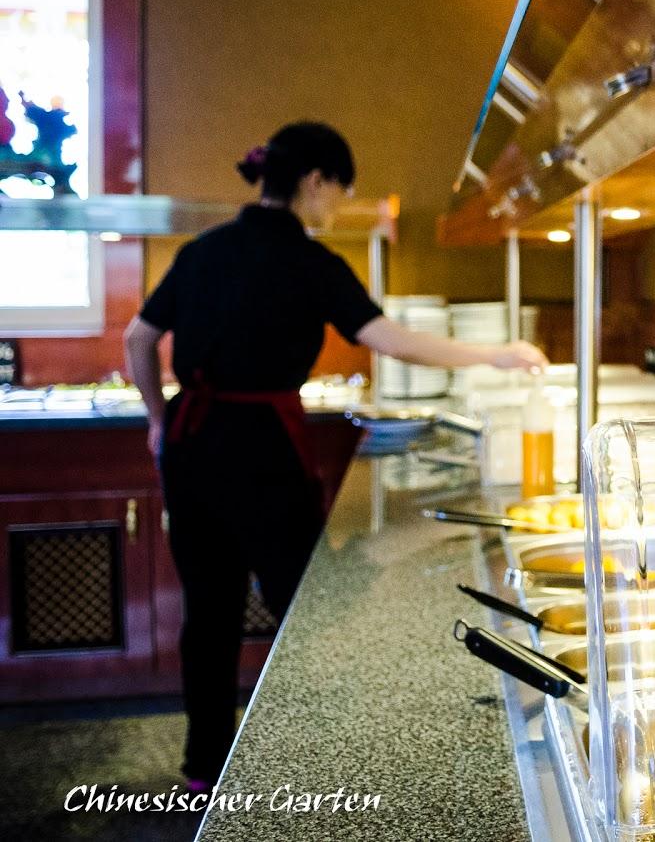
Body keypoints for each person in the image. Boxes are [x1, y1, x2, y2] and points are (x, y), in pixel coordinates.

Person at [124, 121, 546, 790]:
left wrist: (156, 419)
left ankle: (204, 769)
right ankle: (318, 747)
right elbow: (390, 340)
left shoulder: (202, 251)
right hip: (263, 448)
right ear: (313, 181)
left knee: (208, 616)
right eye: (339, 192)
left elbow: (138, 339)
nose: (338, 206)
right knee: (312, 607)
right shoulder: (310, 263)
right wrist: (492, 353)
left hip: (191, 443)